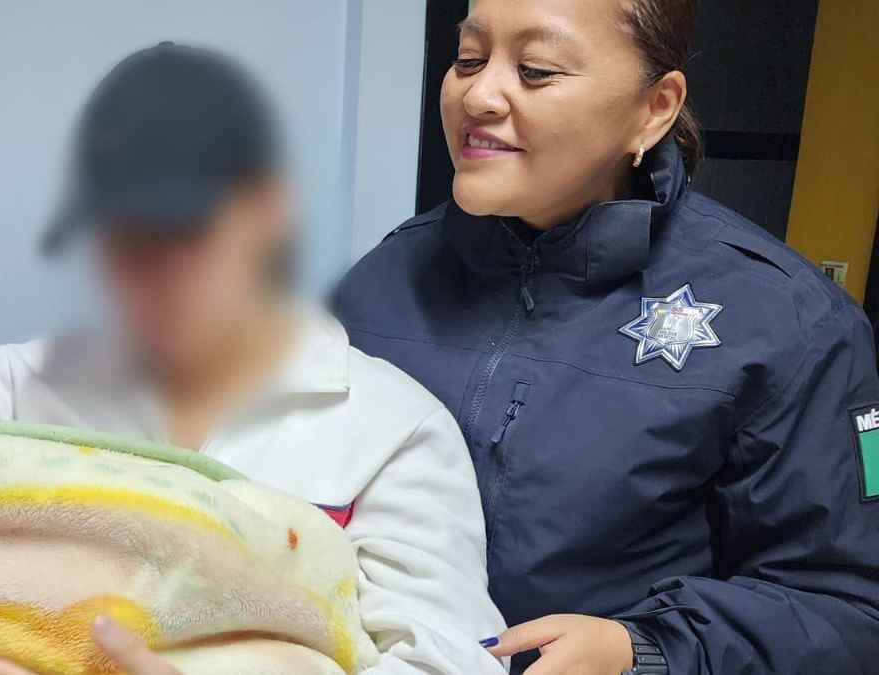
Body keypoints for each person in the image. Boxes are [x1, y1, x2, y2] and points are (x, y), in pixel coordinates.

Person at [0, 43, 507, 675]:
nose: (148, 266)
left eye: (183, 226)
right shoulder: (21, 388)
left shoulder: (392, 429)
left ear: (270, 210)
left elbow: (448, 658)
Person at [333, 0, 879, 674]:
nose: (478, 95)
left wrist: (641, 649)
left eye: (535, 70)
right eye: (469, 59)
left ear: (655, 107)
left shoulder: (793, 323)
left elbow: (846, 611)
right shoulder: (380, 282)